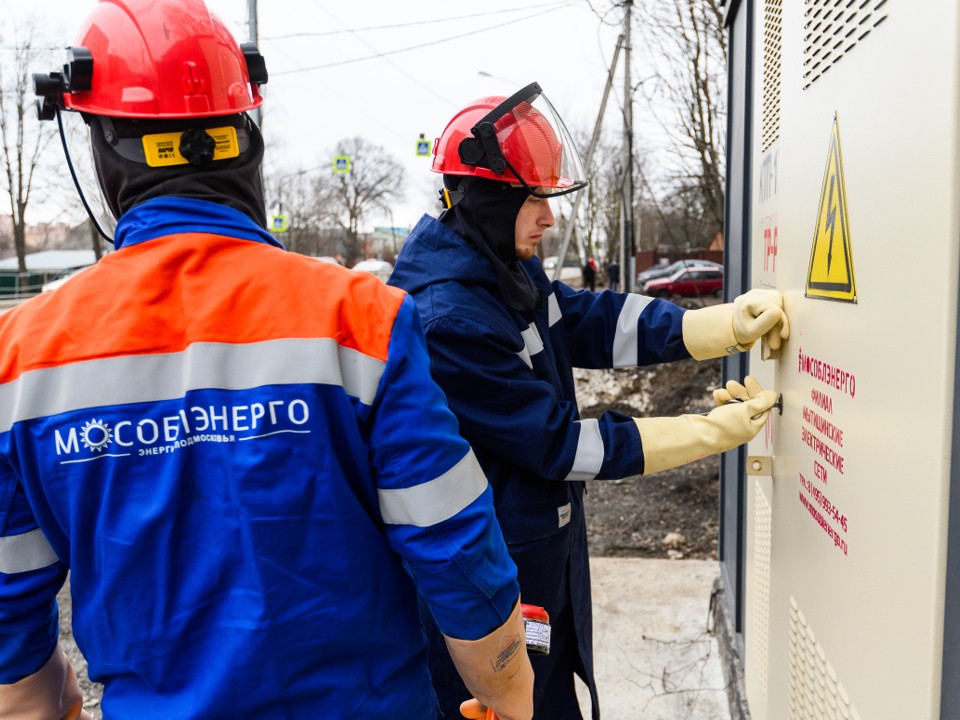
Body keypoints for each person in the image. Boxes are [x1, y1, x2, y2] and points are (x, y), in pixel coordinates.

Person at [1, 2, 533, 718]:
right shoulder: (360, 321)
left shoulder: (22, 360)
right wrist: (511, 699)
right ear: (245, 140)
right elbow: (458, 554)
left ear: (100, 148)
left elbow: (11, 625)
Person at [388, 82, 788, 719]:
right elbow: (558, 444)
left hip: (537, 553)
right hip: (493, 580)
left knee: (554, 698)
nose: (549, 218)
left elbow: (588, 320)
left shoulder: (502, 274)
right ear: (490, 200)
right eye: (535, 201)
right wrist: (707, 434)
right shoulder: (449, 319)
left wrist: (718, 326)